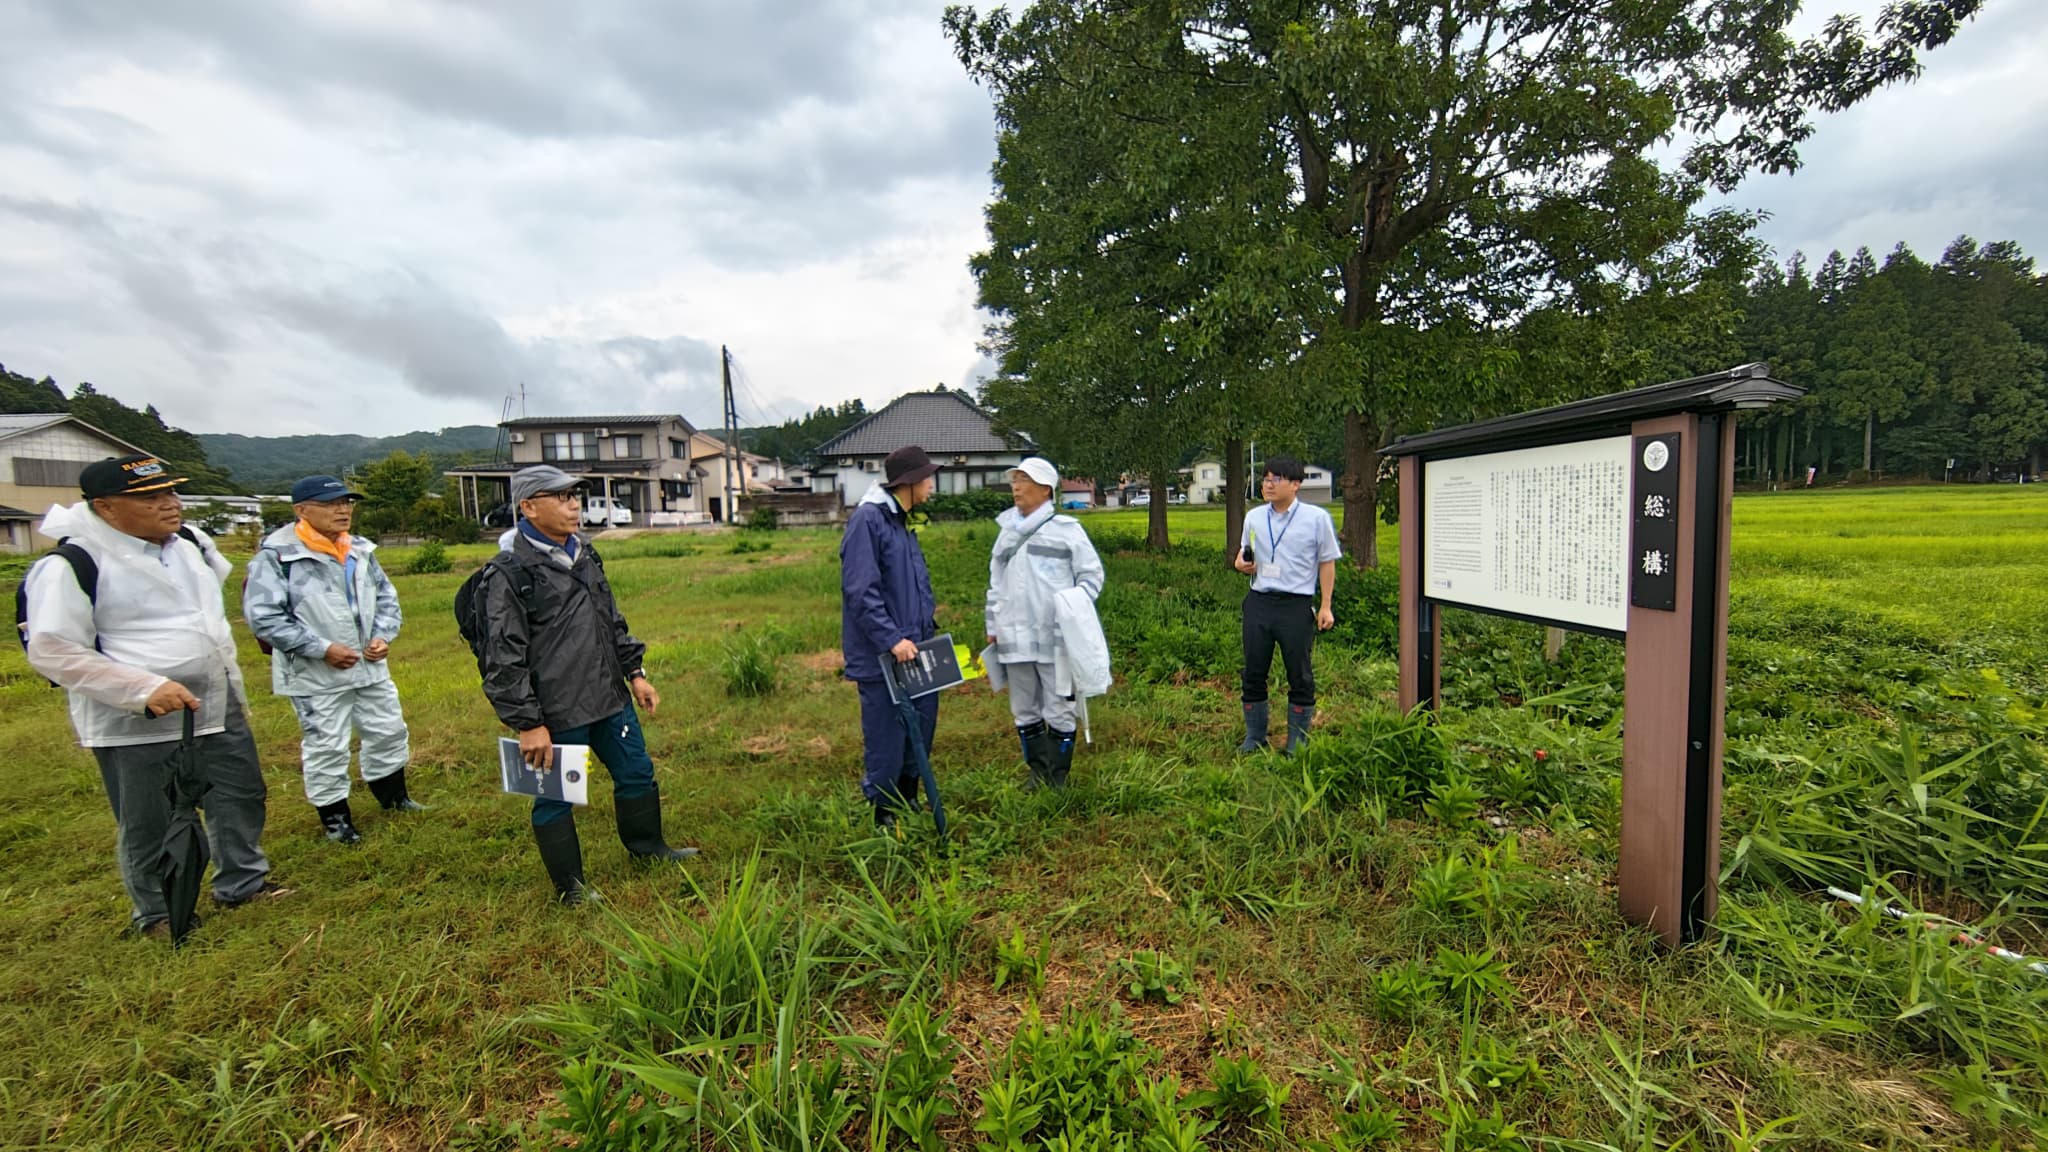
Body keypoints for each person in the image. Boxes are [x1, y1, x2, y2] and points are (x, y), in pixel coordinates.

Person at [22, 455, 286, 939]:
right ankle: (159, 911)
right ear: (105, 507)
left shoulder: (190, 543)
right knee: (151, 816)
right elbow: (52, 649)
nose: (170, 504)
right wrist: (141, 687)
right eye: (150, 498)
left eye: (171, 492)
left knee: (239, 795)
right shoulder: (72, 564)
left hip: (213, 698)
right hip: (137, 717)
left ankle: (242, 882)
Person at [476, 464, 696, 905]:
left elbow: (610, 619)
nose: (574, 505)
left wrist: (635, 674)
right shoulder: (509, 573)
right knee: (556, 797)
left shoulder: (585, 553)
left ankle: (648, 847)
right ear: (528, 507)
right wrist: (528, 723)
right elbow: (502, 657)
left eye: (574, 495)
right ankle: (571, 888)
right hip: (556, 710)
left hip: (609, 696)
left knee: (637, 773)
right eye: (561, 497)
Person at [244, 474, 423, 846]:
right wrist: (321, 648)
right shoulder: (277, 557)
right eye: (330, 504)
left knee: (388, 729)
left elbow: (386, 598)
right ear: (301, 510)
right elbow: (265, 617)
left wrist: (382, 636)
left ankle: (395, 797)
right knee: (326, 744)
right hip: (316, 673)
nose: (342, 510)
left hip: (369, 665)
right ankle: (336, 821)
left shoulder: (360, 549)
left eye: (346, 503)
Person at [984, 456, 1104, 789]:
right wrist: (993, 625)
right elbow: (996, 583)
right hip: (1014, 636)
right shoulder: (1007, 533)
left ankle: (1057, 776)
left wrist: (1072, 609)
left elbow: (1091, 577)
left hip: (1056, 638)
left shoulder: (1067, 531)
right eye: (1015, 480)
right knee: (1024, 707)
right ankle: (1036, 772)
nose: (1016, 487)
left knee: (1059, 705)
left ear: (1045, 489)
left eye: (1024, 480)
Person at [839, 445, 941, 827]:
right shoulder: (870, 520)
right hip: (885, 653)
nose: (932, 485)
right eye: (927, 478)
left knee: (921, 726)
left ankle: (908, 796)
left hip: (916, 648)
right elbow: (860, 589)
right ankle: (884, 813)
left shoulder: (902, 521)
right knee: (887, 734)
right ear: (909, 482)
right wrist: (891, 638)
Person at [1231, 455, 1340, 754]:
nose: (1268, 485)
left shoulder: (1316, 518)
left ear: (1295, 484)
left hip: (1295, 605)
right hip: (1259, 601)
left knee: (1299, 674)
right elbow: (1244, 552)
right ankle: (1255, 737)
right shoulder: (1254, 517)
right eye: (1265, 479)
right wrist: (1240, 564)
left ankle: (1297, 742)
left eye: (1275, 479)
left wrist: (1325, 606)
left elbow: (1327, 562)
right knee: (1253, 671)